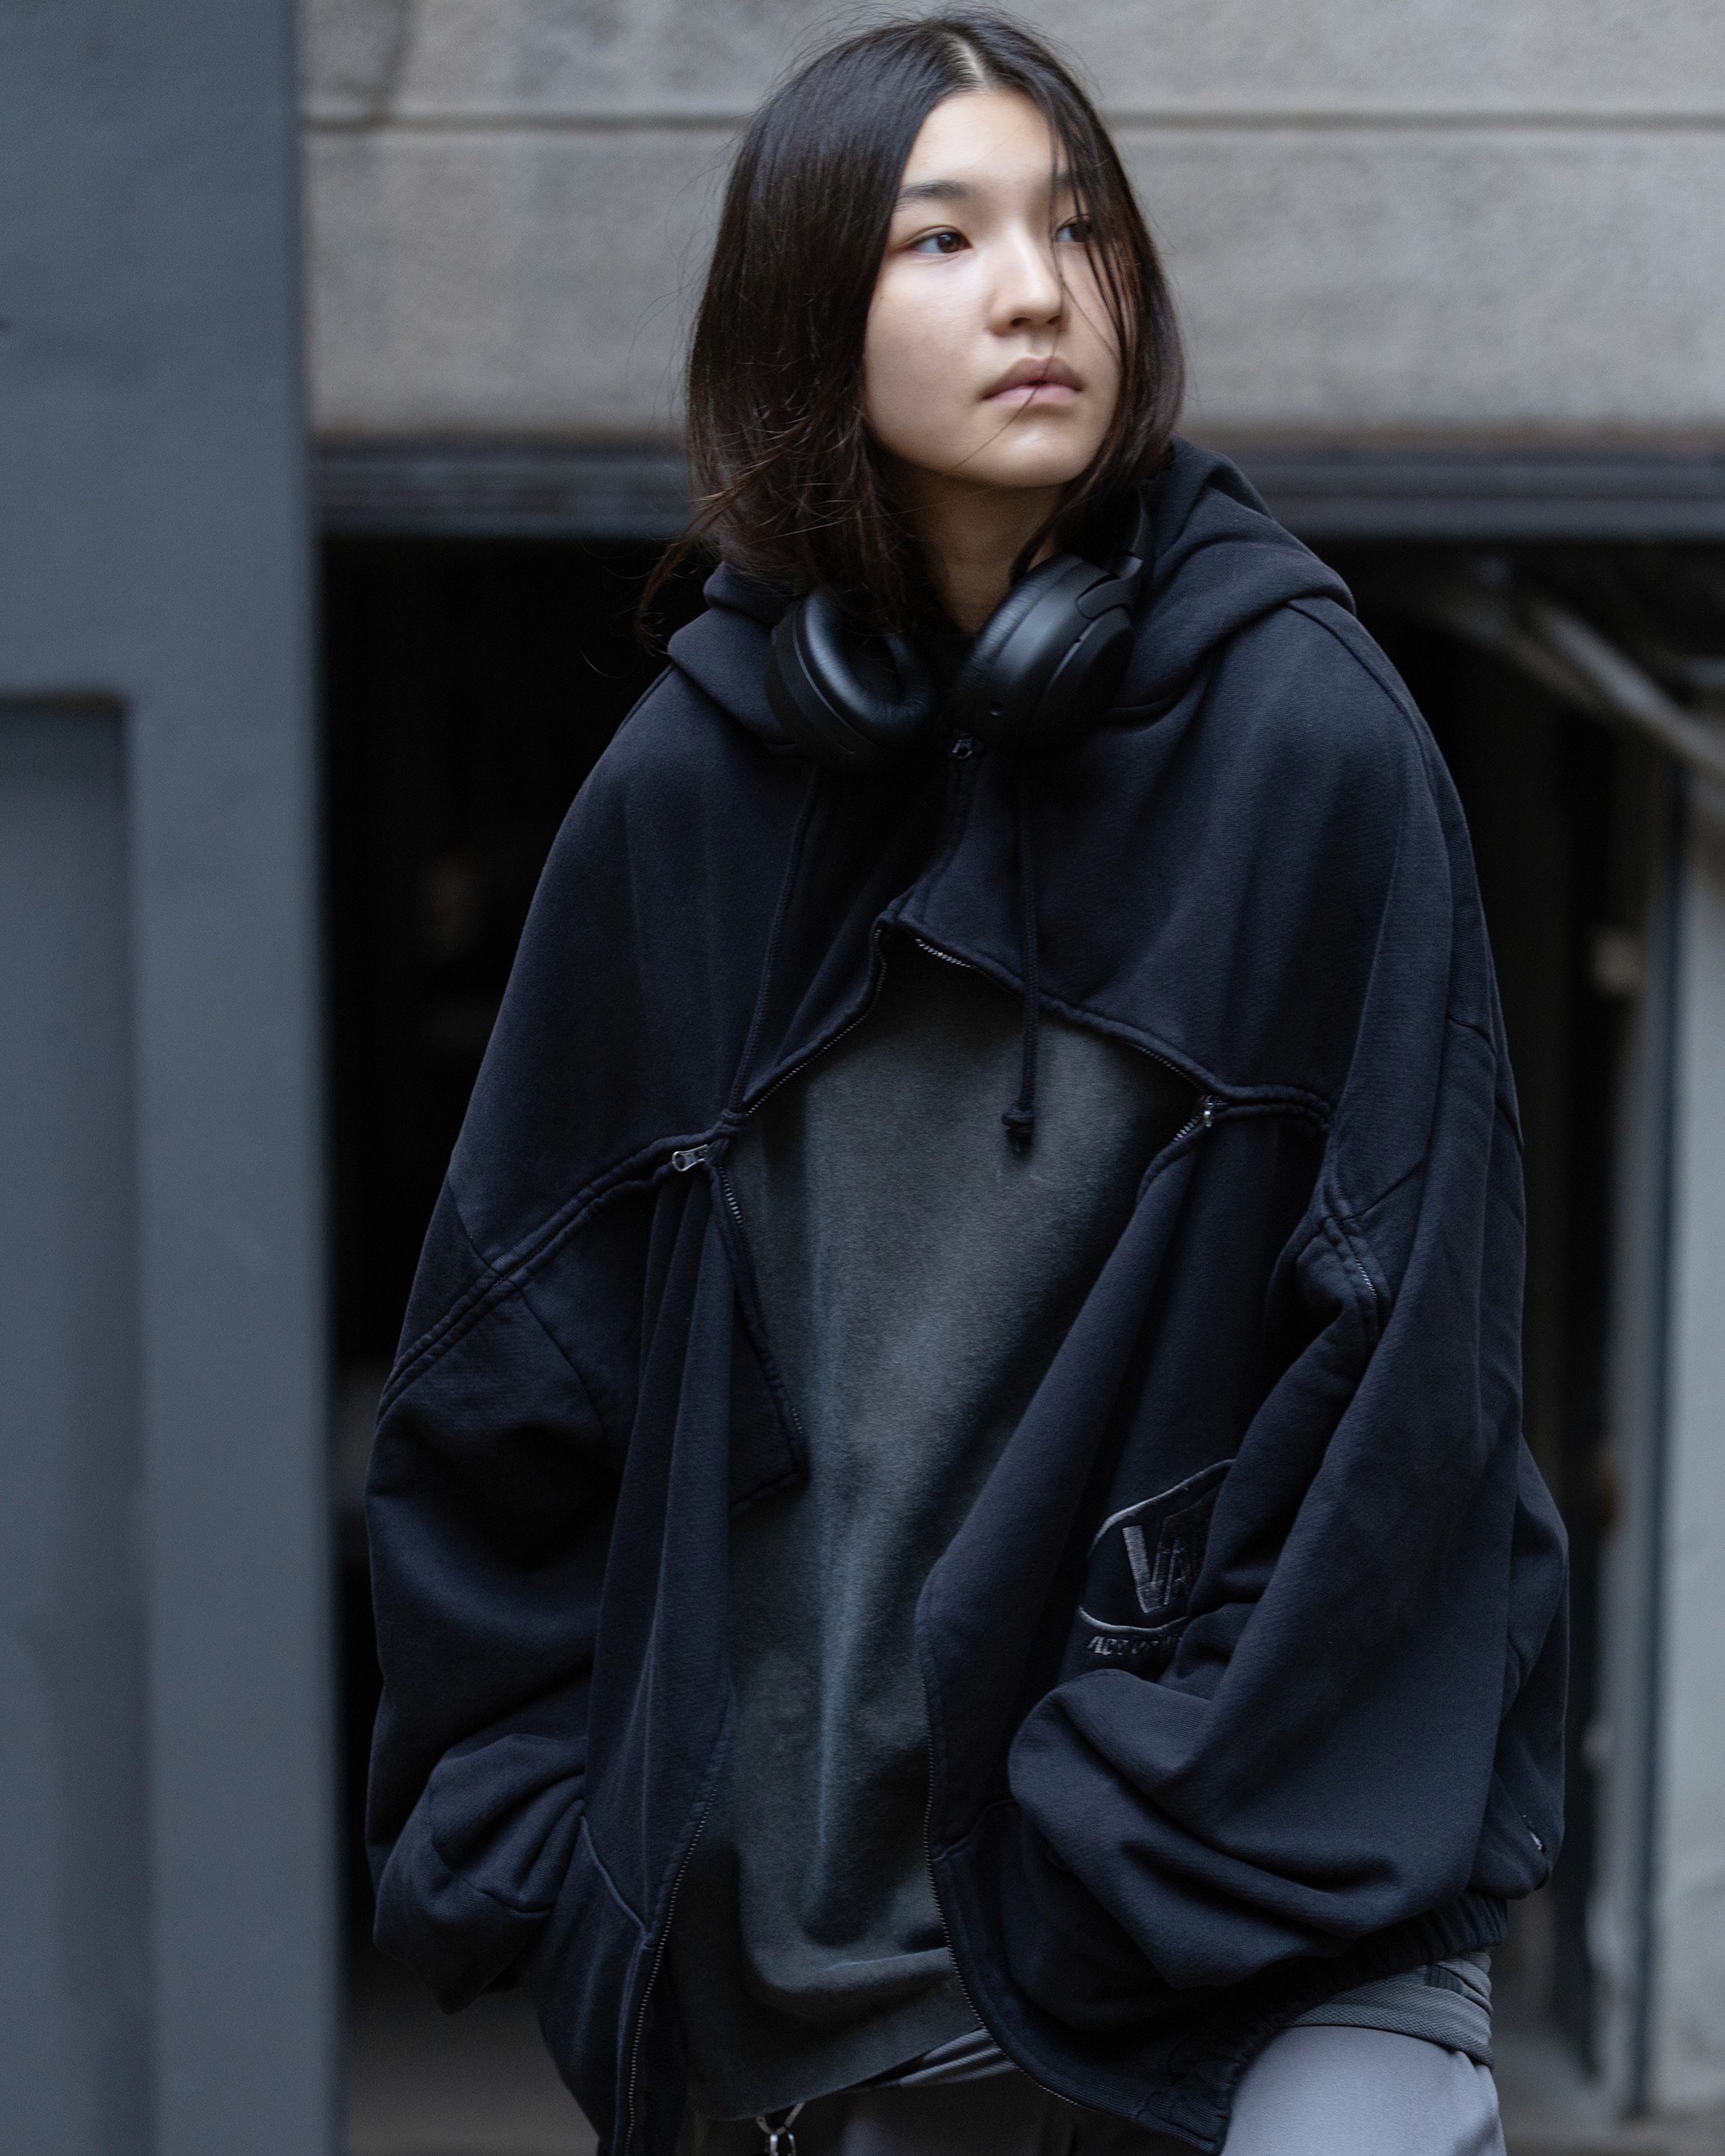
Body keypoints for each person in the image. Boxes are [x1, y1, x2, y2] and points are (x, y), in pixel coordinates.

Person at [363, 16, 1566, 2156]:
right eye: (942, 238)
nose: (1035, 292)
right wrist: (561, 1849)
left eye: (1077, 228)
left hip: (1254, 1901)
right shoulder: (683, 804)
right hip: (821, 1971)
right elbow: (502, 1373)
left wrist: (1149, 1794)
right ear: (802, 324)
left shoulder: (1304, 743)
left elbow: (1414, 1381)